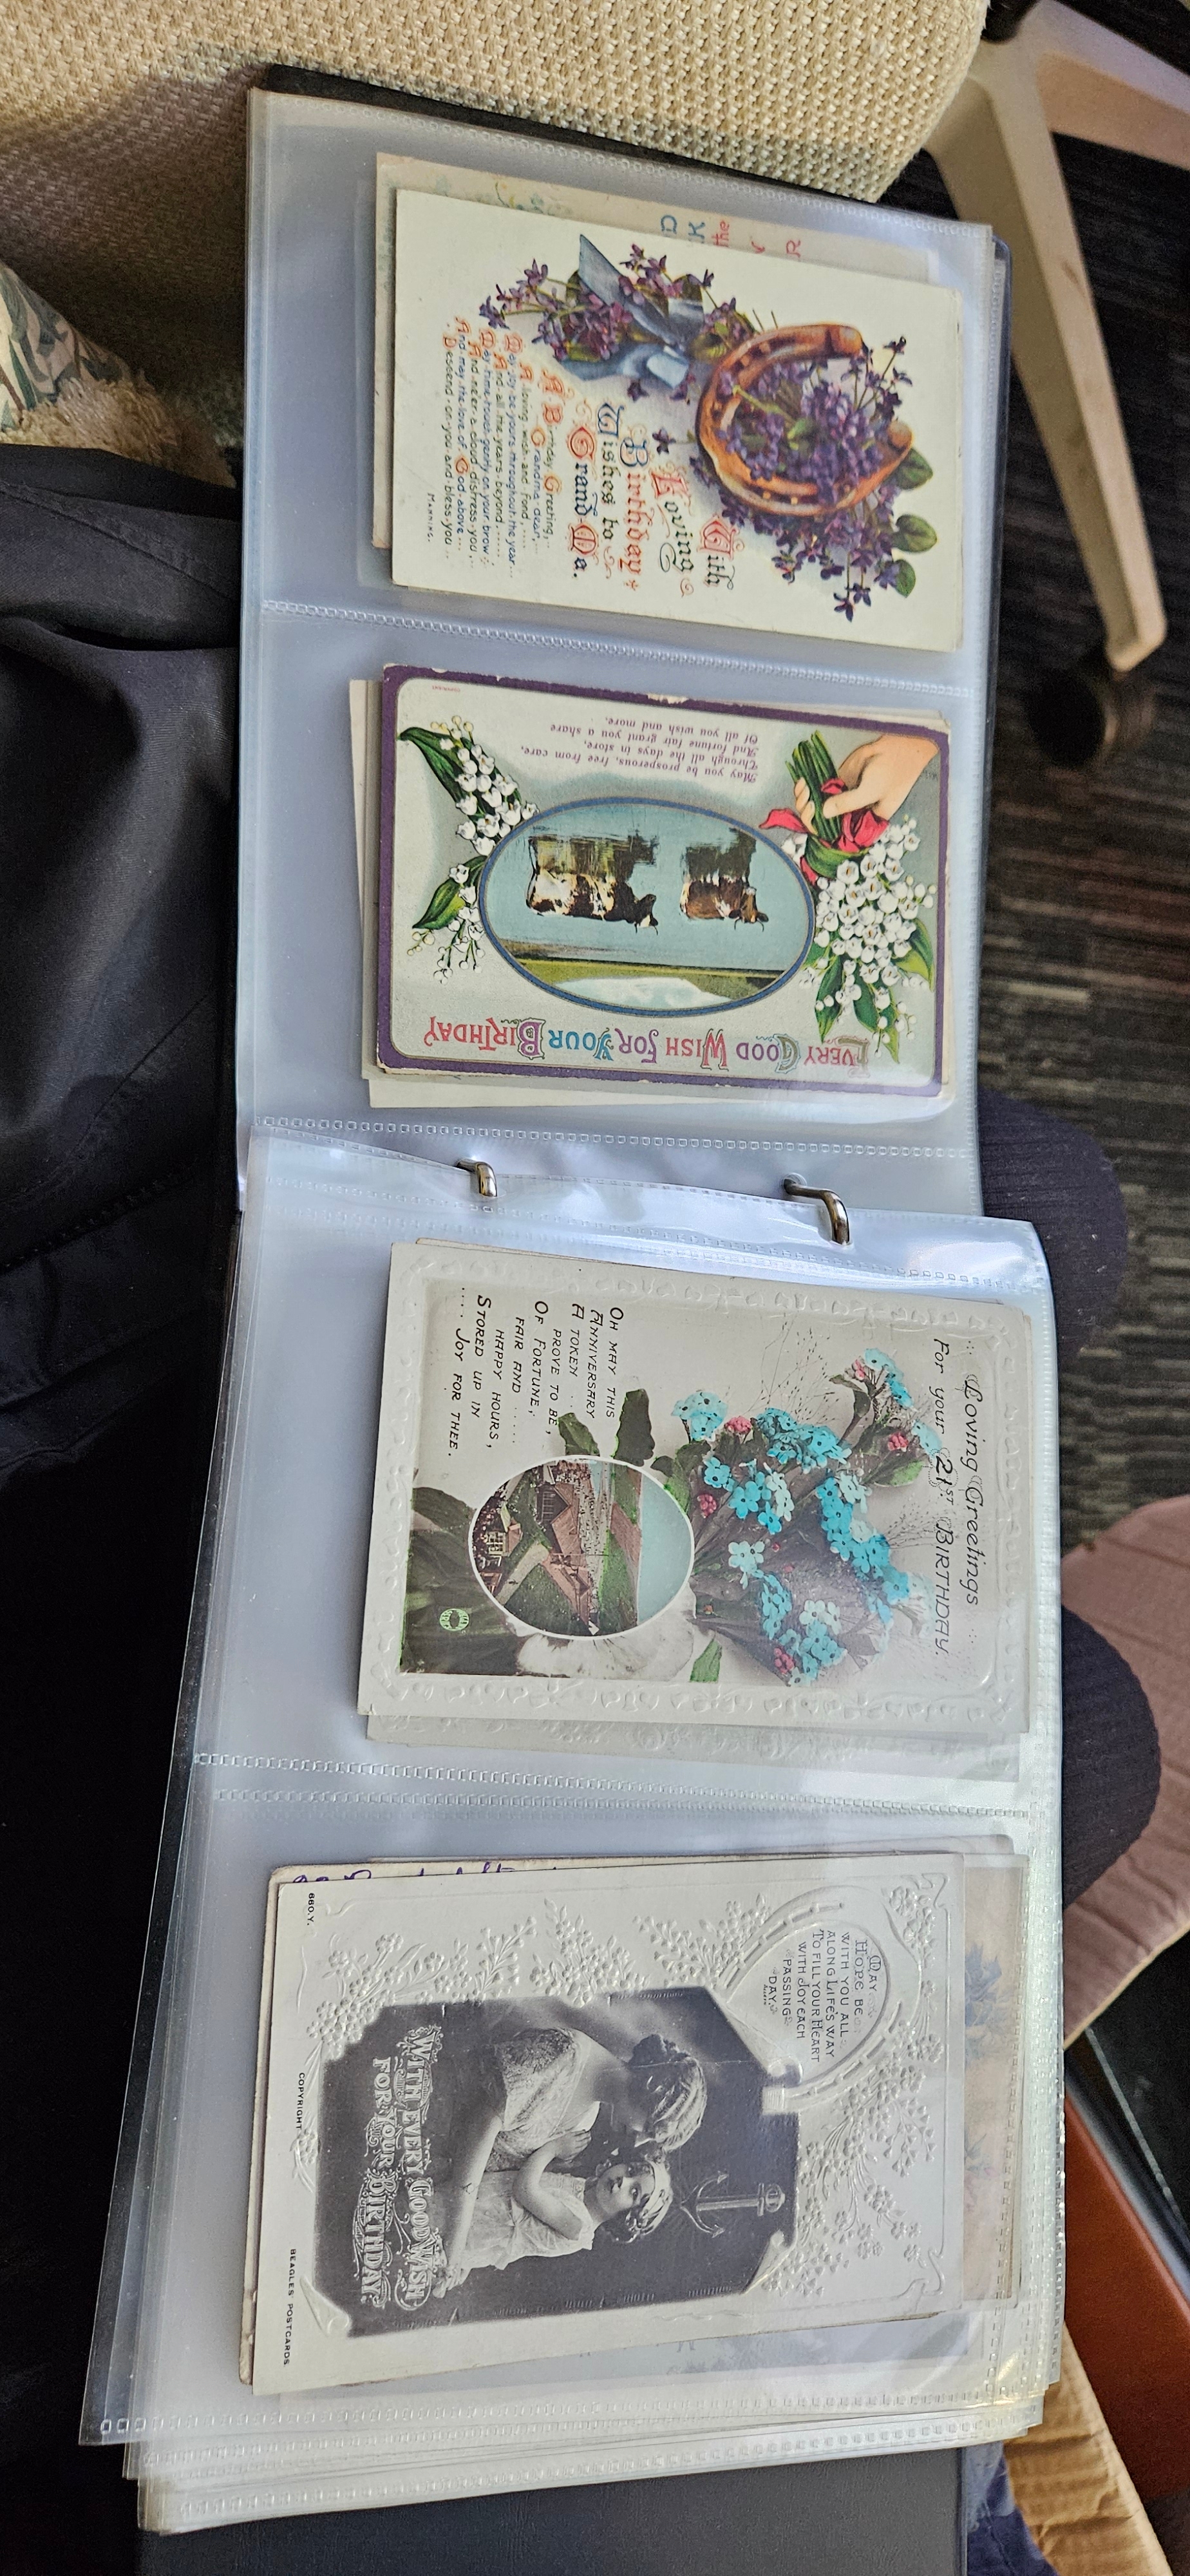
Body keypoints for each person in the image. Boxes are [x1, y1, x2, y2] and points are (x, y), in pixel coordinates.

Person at [436, 2022, 707, 2282]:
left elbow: (502, 2184)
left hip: (441, 2190)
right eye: (648, 2129)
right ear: (648, 2090)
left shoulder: (586, 2120)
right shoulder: (565, 2054)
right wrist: (457, 2238)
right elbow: (483, 2123)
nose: (637, 2142)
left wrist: (464, 2251)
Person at [441, 2145, 673, 2287]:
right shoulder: (582, 2188)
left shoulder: (578, 2226)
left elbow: (525, 2190)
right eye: (631, 2171)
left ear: (626, 2217)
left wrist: (554, 2148)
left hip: (475, 2227)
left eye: (634, 2193)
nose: (624, 2181)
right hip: (479, 2204)